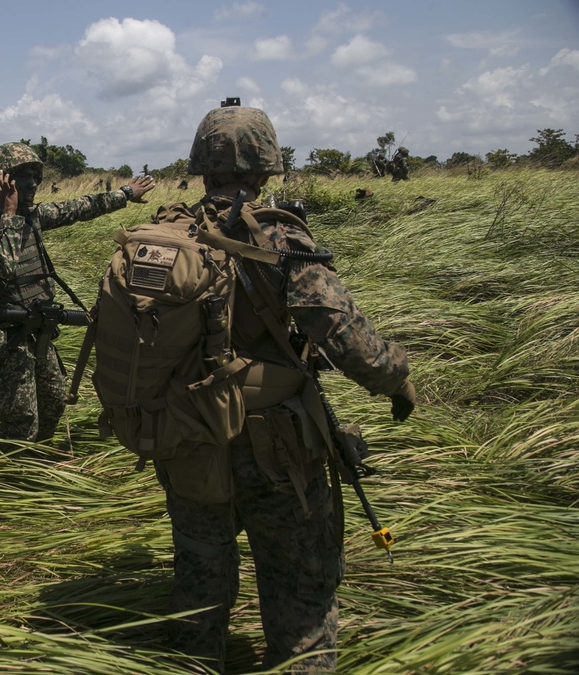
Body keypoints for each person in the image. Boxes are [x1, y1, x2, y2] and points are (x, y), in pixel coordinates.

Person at [144, 103, 415, 672]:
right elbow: (350, 343)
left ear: (202, 164)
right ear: (266, 165)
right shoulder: (276, 235)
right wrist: (398, 376)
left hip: (188, 441)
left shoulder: (167, 234)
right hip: (277, 453)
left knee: (198, 590)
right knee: (303, 607)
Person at [0, 142, 154, 441]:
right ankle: (13, 477)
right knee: (20, 421)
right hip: (8, 340)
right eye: (24, 177)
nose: (33, 184)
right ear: (2, 181)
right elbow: (4, 266)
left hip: (39, 332)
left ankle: (40, 462)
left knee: (53, 403)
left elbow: (80, 207)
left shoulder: (32, 216)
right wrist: (10, 215)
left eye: (35, 177)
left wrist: (125, 194)